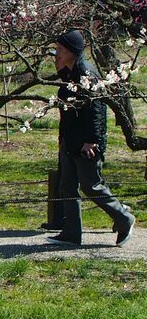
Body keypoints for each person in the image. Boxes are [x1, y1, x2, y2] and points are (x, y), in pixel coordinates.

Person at [48, 29, 135, 247]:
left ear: (72, 51)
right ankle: (71, 233)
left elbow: (97, 110)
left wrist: (91, 140)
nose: (56, 53)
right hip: (70, 139)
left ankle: (124, 218)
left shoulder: (87, 74)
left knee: (91, 186)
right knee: (67, 187)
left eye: (60, 49)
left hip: (87, 142)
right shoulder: (69, 72)